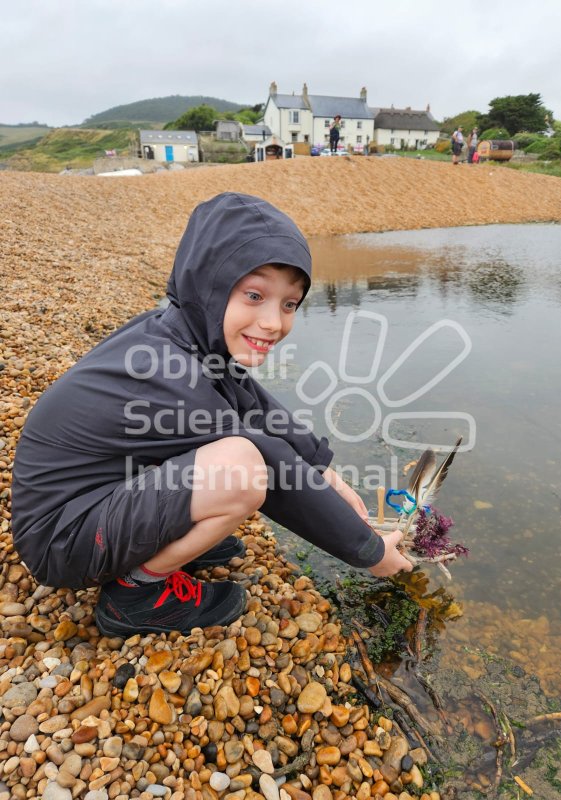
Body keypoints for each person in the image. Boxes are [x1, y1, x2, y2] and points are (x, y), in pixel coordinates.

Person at [12, 192, 412, 638]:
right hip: (60, 539)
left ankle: (166, 539)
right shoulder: (168, 371)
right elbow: (276, 470)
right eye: (255, 295)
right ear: (208, 285)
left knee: (236, 448)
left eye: (289, 304)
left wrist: (325, 471)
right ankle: (135, 593)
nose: (273, 323)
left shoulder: (179, 331)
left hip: (95, 497)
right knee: (241, 471)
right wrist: (372, 553)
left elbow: (253, 404)